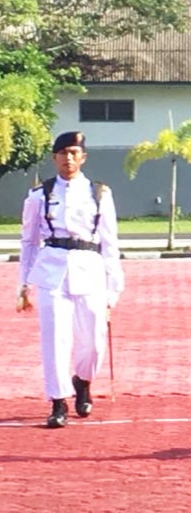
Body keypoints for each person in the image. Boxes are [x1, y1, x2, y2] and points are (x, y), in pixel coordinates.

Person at [17, 131, 124, 428]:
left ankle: (83, 380)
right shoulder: (40, 195)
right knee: (55, 339)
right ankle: (58, 400)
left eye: (74, 153)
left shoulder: (99, 193)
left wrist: (113, 287)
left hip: (89, 268)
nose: (69, 158)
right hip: (52, 270)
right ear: (55, 158)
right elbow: (28, 241)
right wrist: (23, 284)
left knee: (93, 340)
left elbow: (110, 242)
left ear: (83, 157)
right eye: (63, 153)